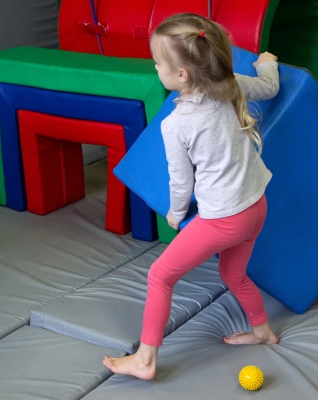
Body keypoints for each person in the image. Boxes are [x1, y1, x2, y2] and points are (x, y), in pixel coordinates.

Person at [103, 13, 280, 380]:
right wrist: (268, 63)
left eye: (157, 63)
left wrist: (175, 213)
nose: (155, 67)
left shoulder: (176, 123)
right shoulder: (231, 84)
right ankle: (263, 331)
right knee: (234, 273)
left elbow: (181, 181)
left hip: (225, 219)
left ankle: (146, 359)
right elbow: (270, 87)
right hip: (257, 206)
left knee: (160, 276)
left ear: (181, 75)